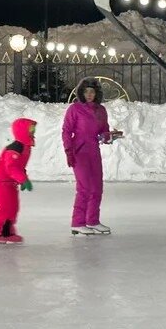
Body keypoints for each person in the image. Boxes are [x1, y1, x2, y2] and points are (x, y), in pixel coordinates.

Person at [62, 78, 121, 236]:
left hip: (94, 151)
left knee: (97, 187)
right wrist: (68, 150)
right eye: (86, 91)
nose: (89, 94)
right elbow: (66, 130)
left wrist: (111, 136)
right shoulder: (74, 109)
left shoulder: (101, 110)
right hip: (79, 150)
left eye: (92, 91)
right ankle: (78, 223)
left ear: (97, 93)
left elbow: (103, 133)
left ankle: (92, 220)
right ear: (81, 92)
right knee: (84, 188)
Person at [0, 118, 36, 244]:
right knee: (4, 208)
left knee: (13, 208)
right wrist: (23, 180)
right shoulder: (16, 147)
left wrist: (23, 177)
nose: (33, 131)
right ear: (22, 131)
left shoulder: (25, 146)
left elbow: (19, 166)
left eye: (33, 129)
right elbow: (11, 167)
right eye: (31, 129)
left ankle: (7, 232)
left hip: (10, 182)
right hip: (1, 181)